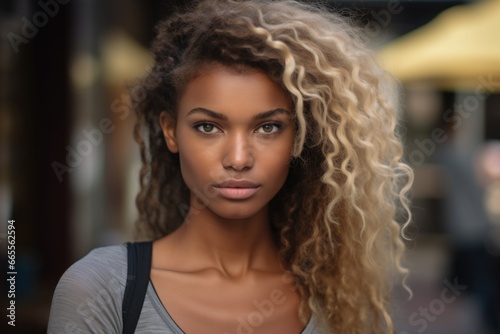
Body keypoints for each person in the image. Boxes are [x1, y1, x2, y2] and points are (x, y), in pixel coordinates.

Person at [47, 0, 413, 333]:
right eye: (208, 127)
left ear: (299, 137)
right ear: (171, 131)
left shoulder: (336, 298)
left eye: (268, 127)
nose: (238, 159)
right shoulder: (101, 289)